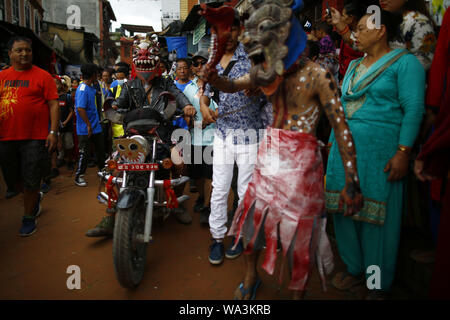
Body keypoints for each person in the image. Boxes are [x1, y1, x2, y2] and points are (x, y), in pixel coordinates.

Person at [201, 0, 362, 299]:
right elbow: (233, 85)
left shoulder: (318, 76)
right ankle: (251, 279)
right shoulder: (267, 73)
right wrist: (214, 80)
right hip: (268, 157)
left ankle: (296, 294)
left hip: (302, 169)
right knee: (250, 226)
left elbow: (341, 128)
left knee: (297, 240)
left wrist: (351, 180)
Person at [325, 11, 425, 299]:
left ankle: (376, 282)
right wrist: (333, 142)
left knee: (376, 220)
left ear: (380, 30)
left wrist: (403, 152)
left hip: (380, 154)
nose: (355, 34)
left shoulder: (406, 64)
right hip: (345, 155)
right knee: (345, 212)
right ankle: (355, 268)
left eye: (360, 28)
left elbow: (414, 109)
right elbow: (340, 108)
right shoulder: (354, 65)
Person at [85, 35, 196, 237]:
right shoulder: (128, 86)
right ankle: (110, 216)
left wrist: (187, 106)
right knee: (113, 169)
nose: (145, 59)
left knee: (180, 162)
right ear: (135, 63)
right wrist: (116, 107)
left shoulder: (166, 83)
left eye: (150, 55)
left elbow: (179, 97)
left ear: (156, 63)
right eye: (139, 56)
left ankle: (176, 205)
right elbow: (119, 102)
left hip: (162, 135)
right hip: (134, 137)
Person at [200, 11, 274, 266]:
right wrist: (203, 106)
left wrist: (262, 87)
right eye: (221, 30)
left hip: (250, 135)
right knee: (219, 189)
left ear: (239, 30)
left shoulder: (256, 57)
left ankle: (240, 236)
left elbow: (272, 91)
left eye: (231, 29)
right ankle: (217, 238)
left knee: (245, 192)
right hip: (222, 134)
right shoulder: (213, 59)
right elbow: (206, 93)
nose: (227, 35)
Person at [0, 36, 60, 236]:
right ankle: (32, 198)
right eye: (19, 50)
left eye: (28, 50)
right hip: (5, 137)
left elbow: (53, 104)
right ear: (10, 54)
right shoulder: (2, 77)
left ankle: (28, 216)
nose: (24, 54)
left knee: (32, 178)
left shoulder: (43, 76)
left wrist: (53, 132)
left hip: (35, 137)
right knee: (13, 182)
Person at [414, 8, 450, 299]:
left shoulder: (420, 23)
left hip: (430, 111)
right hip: (432, 110)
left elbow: (434, 70)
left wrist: (432, 112)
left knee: (433, 178)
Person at [328, 0, 436, 70]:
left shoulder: (417, 22)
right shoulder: (383, 19)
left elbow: (422, 64)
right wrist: (339, 23)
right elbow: (360, 43)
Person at [182, 50, 218, 225]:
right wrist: (188, 118)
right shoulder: (188, 88)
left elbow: (224, 108)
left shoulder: (217, 85)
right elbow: (185, 112)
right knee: (197, 175)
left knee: (210, 175)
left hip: (213, 138)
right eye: (195, 64)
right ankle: (201, 198)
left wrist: (210, 117)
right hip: (194, 138)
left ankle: (207, 206)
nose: (198, 66)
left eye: (202, 62)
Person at [74, 64, 105, 187]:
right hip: (86, 128)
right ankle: (79, 176)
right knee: (84, 153)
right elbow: (80, 108)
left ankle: (102, 171)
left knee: (100, 150)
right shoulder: (82, 89)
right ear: (93, 75)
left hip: (95, 126)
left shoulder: (90, 87)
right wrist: (88, 125)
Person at [57, 75, 75, 171]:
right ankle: (60, 159)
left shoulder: (67, 97)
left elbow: (71, 111)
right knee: (59, 145)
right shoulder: (53, 97)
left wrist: (65, 122)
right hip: (57, 127)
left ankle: (70, 161)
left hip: (67, 126)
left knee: (69, 145)